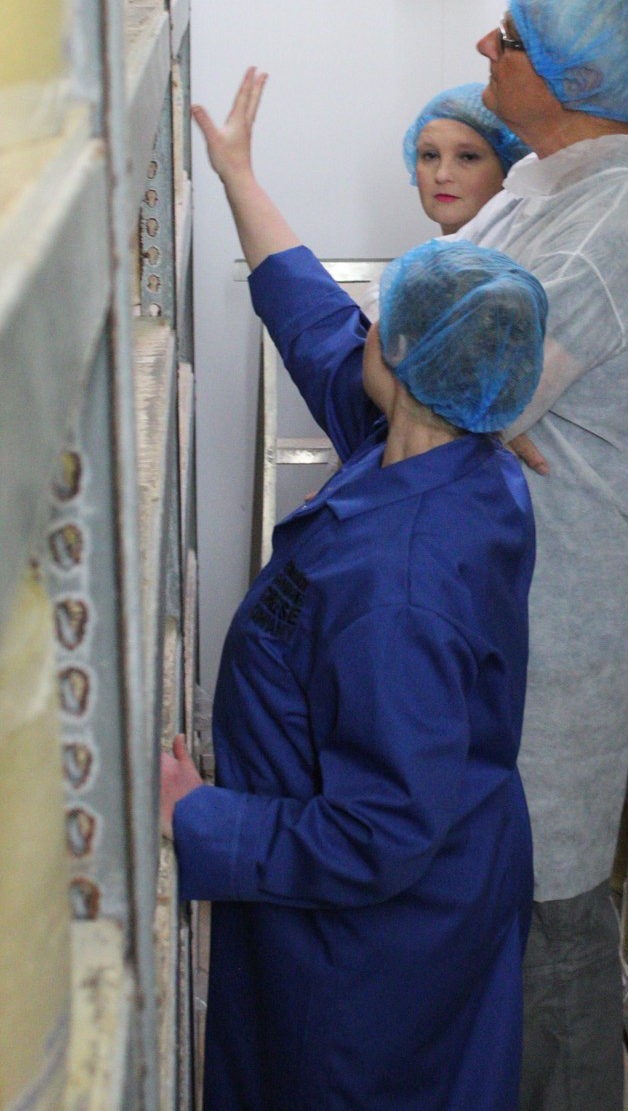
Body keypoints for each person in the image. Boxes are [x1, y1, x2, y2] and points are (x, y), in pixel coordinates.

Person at [160, 69, 548, 1111]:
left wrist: (202, 823)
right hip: (403, 902)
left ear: (404, 358)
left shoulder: (404, 583)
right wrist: (237, 174)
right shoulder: (435, 442)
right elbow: (312, 321)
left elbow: (380, 831)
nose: (360, 325)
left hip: (373, 956)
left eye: (379, 316)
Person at [453, 0, 628, 1111]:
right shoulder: (546, 180)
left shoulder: (601, 235)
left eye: (504, 39)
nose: (483, 48)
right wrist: (466, 400)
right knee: (510, 899)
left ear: (562, 75)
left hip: (563, 617)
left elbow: (454, 397)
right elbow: (454, 379)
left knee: (553, 915)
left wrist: (465, 400)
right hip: (514, 588)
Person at [403, 81, 530, 235]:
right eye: (430, 155)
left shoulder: (536, 257)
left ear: (510, 168)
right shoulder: (427, 258)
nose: (441, 175)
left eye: (468, 157)